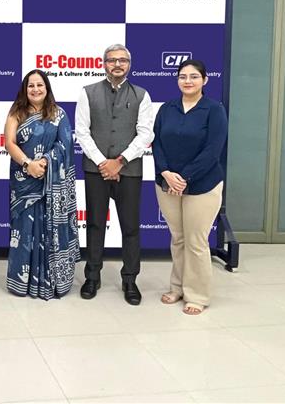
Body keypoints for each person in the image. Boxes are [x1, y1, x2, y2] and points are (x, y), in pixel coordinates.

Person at [75, 43, 153, 305]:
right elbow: (82, 132)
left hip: (129, 170)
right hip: (95, 170)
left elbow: (145, 134)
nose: (117, 64)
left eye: (123, 60)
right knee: (95, 224)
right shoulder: (87, 93)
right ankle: (92, 276)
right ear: (103, 64)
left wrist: (120, 161)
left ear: (129, 65)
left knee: (130, 227)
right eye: (112, 60)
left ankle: (130, 280)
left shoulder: (142, 95)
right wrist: (103, 163)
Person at [152, 59, 228, 315]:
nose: (188, 81)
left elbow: (213, 150)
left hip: (203, 185)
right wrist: (166, 173)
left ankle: (197, 295)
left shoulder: (214, 110)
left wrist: (183, 178)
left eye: (194, 76)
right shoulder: (167, 108)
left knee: (196, 241)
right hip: (167, 184)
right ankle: (177, 287)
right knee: (178, 238)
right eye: (183, 76)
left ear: (204, 80)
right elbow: (157, 143)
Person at [4, 69, 80, 300]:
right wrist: (29, 164)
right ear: (24, 89)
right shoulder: (16, 112)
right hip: (23, 182)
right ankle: (22, 283)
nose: (35, 89)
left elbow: (65, 145)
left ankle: (52, 282)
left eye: (40, 85)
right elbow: (9, 143)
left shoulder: (58, 114)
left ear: (47, 88)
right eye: (31, 86)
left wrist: (45, 162)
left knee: (48, 229)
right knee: (24, 231)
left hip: (51, 181)